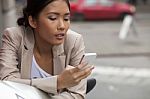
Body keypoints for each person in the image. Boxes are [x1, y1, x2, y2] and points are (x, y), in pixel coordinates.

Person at [0, 0, 94, 98]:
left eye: (66, 18)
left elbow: (76, 95)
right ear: (33, 21)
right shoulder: (14, 37)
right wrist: (58, 82)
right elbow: (7, 82)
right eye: (53, 18)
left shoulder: (74, 41)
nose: (62, 26)